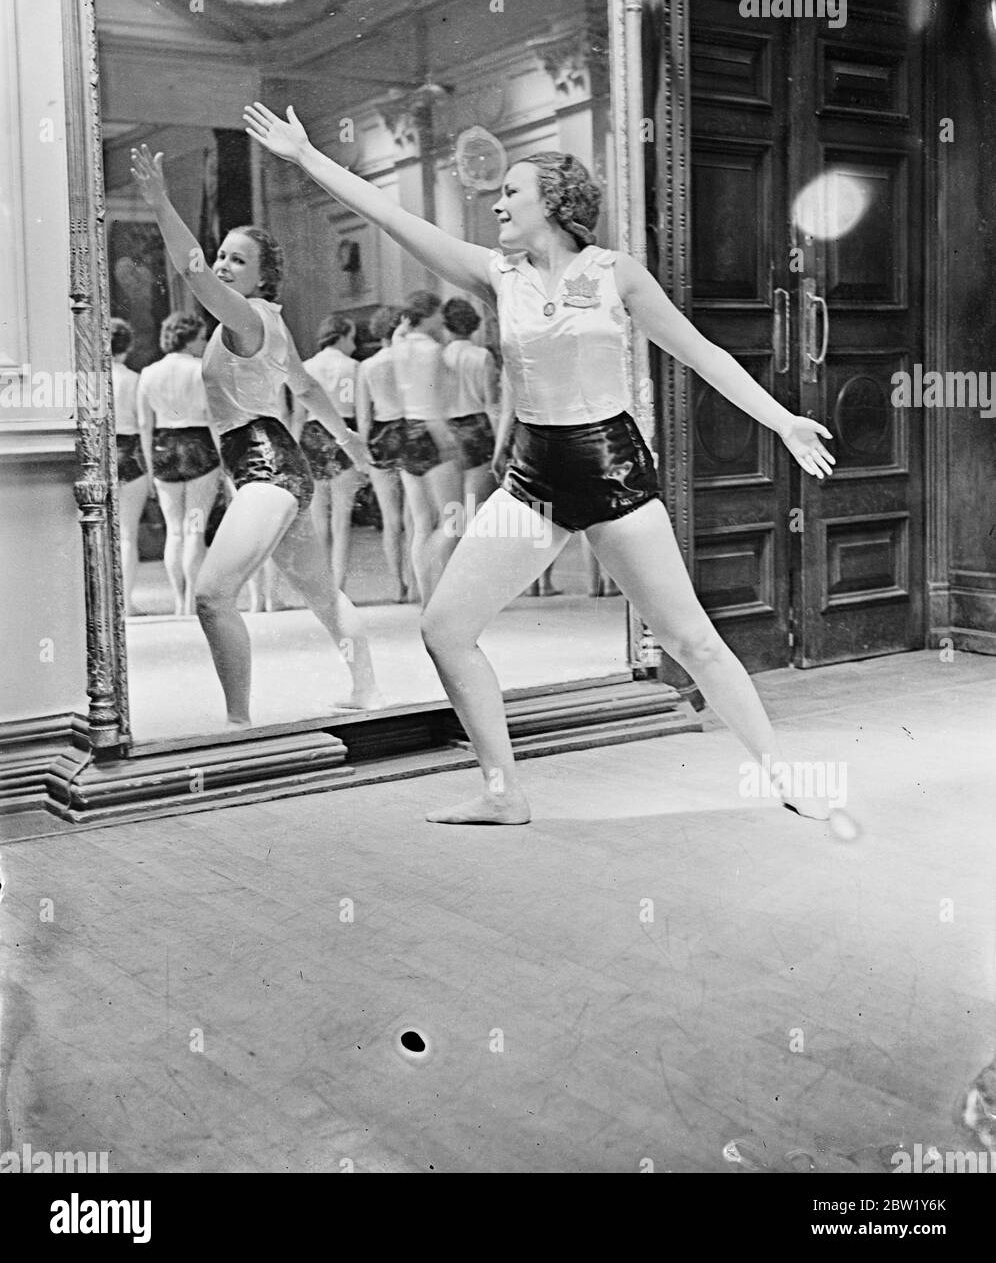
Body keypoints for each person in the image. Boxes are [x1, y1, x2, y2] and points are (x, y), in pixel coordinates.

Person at [243, 103, 839, 825]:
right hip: (534, 475)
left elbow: (702, 354)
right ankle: (503, 793)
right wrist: (308, 158)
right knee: (445, 628)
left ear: (553, 203)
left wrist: (781, 420)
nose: (497, 202)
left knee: (690, 640)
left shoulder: (618, 275)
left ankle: (781, 773)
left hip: (611, 467)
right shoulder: (497, 273)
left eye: (512, 194)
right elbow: (397, 220)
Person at [129, 143, 382, 725]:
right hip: (276, 466)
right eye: (223, 255)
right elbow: (310, 389)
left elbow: (191, 272)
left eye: (237, 261)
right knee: (320, 594)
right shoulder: (270, 324)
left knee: (212, 595)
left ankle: (239, 723)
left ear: (263, 277)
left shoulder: (246, 317)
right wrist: (350, 445)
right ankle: (365, 687)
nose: (222, 266)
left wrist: (162, 204)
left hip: (265, 464)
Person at [136, 310, 222, 616]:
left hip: (163, 449)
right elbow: (213, 419)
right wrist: (224, 462)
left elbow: (145, 426)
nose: (204, 342)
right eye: (201, 337)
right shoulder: (201, 370)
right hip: (199, 447)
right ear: (189, 338)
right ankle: (192, 602)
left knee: (174, 531)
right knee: (195, 529)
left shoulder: (148, 373)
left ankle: (178, 601)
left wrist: (149, 469)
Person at [391, 291, 464, 604]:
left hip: (406, 430)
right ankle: (440, 585)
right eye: (438, 314)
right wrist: (446, 439)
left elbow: (399, 335)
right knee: (454, 519)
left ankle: (426, 595)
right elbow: (431, 396)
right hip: (431, 429)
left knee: (421, 523)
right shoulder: (432, 350)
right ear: (429, 314)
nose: (442, 319)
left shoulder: (398, 346)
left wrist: (403, 329)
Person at [296, 315, 364, 594]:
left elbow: (298, 415)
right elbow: (360, 411)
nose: (354, 343)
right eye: (353, 337)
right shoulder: (355, 367)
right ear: (343, 335)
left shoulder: (306, 366)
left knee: (318, 519)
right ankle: (339, 587)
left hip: (311, 436)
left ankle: (321, 586)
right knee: (341, 520)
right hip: (343, 432)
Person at [355, 304, 410, 601]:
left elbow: (364, 416)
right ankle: (417, 580)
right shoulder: (407, 359)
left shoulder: (367, 366)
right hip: (408, 431)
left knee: (391, 521)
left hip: (380, 435)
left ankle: (397, 584)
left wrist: (364, 453)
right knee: (416, 517)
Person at [439, 297, 500, 521]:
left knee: (450, 509)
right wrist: (499, 445)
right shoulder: (482, 356)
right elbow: (491, 404)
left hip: (446, 430)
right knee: (476, 505)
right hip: (476, 428)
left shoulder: (439, 357)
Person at [110, 318, 150, 614]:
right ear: (129, 345)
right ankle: (125, 603)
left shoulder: (89, 380)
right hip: (131, 452)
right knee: (127, 534)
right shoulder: (135, 380)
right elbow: (143, 423)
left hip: (99, 454)